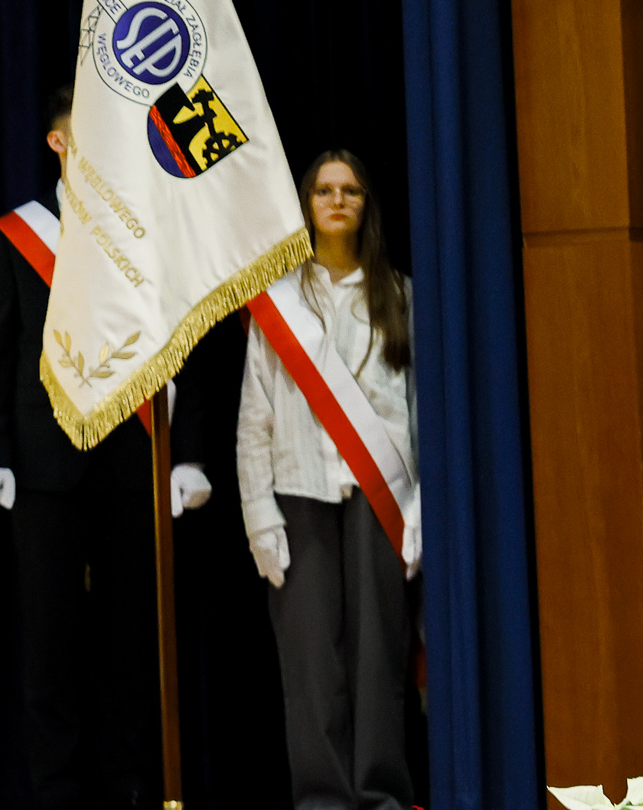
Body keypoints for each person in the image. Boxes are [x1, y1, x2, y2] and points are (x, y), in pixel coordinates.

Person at [0, 84, 214, 810]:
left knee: (129, 641)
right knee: (49, 643)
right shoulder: (16, 236)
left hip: (133, 461)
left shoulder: (150, 232)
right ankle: (57, 793)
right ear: (58, 141)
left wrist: (188, 452)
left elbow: (186, 346)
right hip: (43, 469)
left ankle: (128, 787)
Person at [237, 149, 419, 810]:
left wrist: (418, 508)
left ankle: (380, 795)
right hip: (299, 495)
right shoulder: (279, 300)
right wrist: (259, 514)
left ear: (367, 205)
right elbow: (254, 416)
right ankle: (322, 799)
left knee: (379, 661)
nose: (337, 200)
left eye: (351, 191)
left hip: (381, 499)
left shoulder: (399, 293)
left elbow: (417, 409)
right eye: (324, 190)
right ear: (307, 204)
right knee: (313, 664)